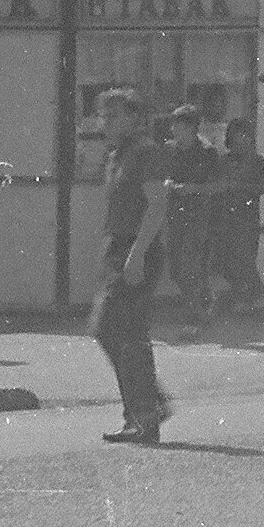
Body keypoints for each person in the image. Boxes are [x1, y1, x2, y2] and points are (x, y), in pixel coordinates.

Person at [91, 87, 172, 444]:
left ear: (135, 119)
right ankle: (146, 409)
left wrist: (136, 254)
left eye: (113, 116)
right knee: (111, 328)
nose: (104, 122)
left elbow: (156, 205)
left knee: (120, 328)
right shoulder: (116, 154)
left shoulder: (146, 153)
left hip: (137, 248)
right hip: (117, 247)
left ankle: (144, 416)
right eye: (103, 116)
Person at [161, 109, 220, 331]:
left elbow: (219, 184)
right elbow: (162, 174)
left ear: (191, 128)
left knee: (190, 263)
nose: (173, 130)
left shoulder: (207, 152)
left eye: (178, 126)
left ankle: (193, 315)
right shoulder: (169, 150)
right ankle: (205, 299)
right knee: (176, 266)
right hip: (175, 213)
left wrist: (193, 189)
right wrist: (167, 183)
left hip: (199, 215)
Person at [216, 120, 264, 313]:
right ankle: (241, 293)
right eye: (236, 135)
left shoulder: (258, 162)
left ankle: (256, 294)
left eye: (244, 135)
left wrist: (238, 187)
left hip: (247, 216)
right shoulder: (223, 160)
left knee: (245, 258)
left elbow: (263, 188)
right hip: (225, 215)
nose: (240, 139)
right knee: (224, 259)